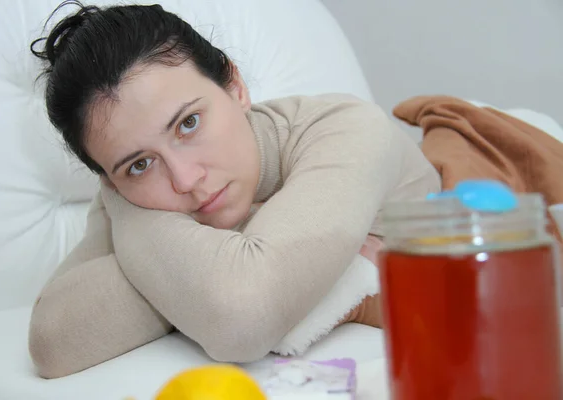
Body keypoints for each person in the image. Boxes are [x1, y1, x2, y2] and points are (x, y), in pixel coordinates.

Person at [28, 1, 441, 379]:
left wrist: (192, 274)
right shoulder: (128, 196)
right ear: (108, 180)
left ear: (234, 86)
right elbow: (52, 342)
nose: (186, 180)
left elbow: (242, 316)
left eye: (188, 123)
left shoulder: (348, 129)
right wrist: (125, 199)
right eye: (140, 164)